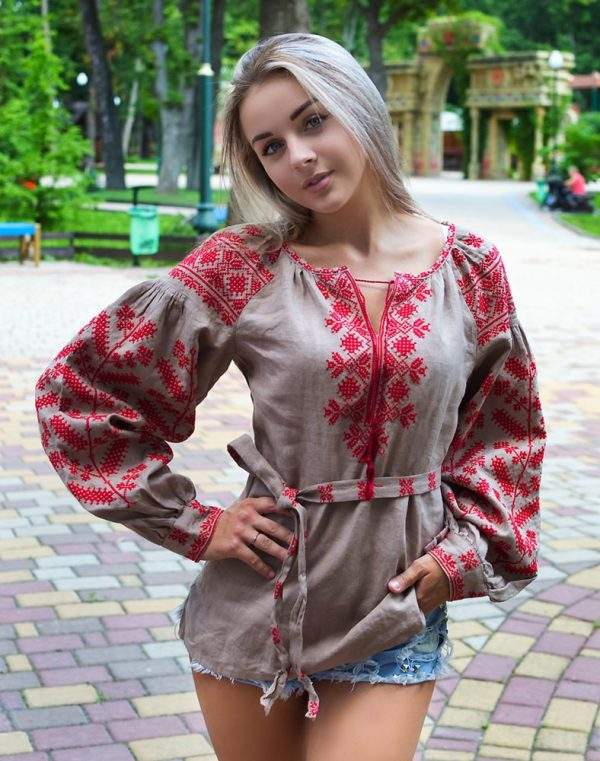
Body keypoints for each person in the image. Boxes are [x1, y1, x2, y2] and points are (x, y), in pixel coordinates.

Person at [34, 32, 547, 761]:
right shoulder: (243, 265)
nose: (298, 155)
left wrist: (463, 553)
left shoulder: (468, 267)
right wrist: (198, 524)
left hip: (393, 606)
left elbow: (505, 430)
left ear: (358, 107)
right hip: (259, 603)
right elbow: (83, 396)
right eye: (271, 146)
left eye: (313, 121)